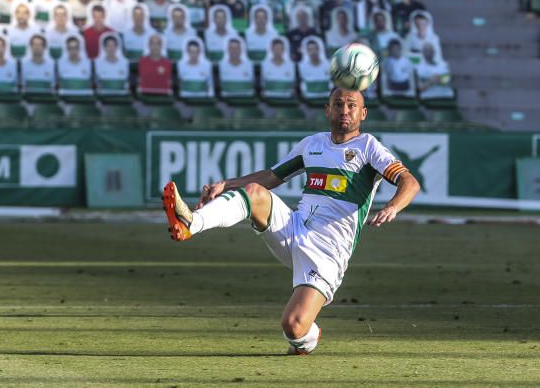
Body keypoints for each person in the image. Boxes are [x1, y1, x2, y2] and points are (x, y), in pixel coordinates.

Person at [162, 86, 420, 355]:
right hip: (293, 227)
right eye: (339, 104)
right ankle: (190, 223)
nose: (345, 110)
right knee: (255, 194)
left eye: (352, 105)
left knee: (293, 326)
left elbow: (409, 182)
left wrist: (393, 206)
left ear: (363, 113)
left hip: (328, 252)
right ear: (327, 109)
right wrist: (226, 184)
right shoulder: (312, 144)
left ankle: (308, 339)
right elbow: (271, 177)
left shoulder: (368, 147)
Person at [94, 32, 129, 97]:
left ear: (117, 47)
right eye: (108, 46)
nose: (111, 48)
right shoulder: (97, 64)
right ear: (104, 47)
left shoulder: (125, 63)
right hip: (104, 98)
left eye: (113, 45)